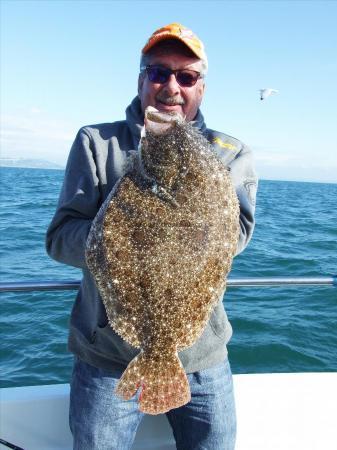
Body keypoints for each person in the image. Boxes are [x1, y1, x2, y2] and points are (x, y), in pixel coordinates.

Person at [46, 22, 257, 450]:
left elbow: (236, 236)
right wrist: (120, 239)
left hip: (205, 359)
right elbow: (60, 238)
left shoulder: (229, 152)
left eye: (186, 76)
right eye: (159, 72)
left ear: (201, 86)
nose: (172, 87)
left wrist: (176, 226)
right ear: (142, 78)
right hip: (105, 358)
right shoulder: (96, 143)